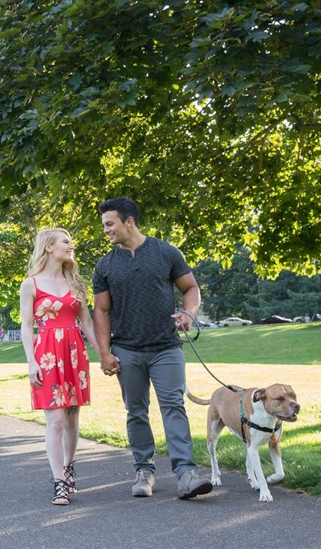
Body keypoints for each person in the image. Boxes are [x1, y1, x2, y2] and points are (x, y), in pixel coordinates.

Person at [92, 197, 213, 500]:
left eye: (110, 224)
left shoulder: (166, 253)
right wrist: (105, 353)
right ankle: (144, 470)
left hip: (165, 348)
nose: (106, 230)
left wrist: (188, 313)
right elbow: (101, 311)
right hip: (127, 350)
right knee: (136, 411)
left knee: (174, 405)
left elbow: (191, 289)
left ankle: (185, 473)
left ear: (128, 221)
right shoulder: (105, 265)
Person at [21, 228, 100, 506]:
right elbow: (27, 326)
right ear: (48, 248)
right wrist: (31, 361)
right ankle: (58, 482)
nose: (70, 245)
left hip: (74, 352)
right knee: (54, 420)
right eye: (65, 241)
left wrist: (104, 353)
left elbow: (87, 322)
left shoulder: (76, 282)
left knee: (71, 416)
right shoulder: (30, 284)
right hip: (47, 355)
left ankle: (69, 468)